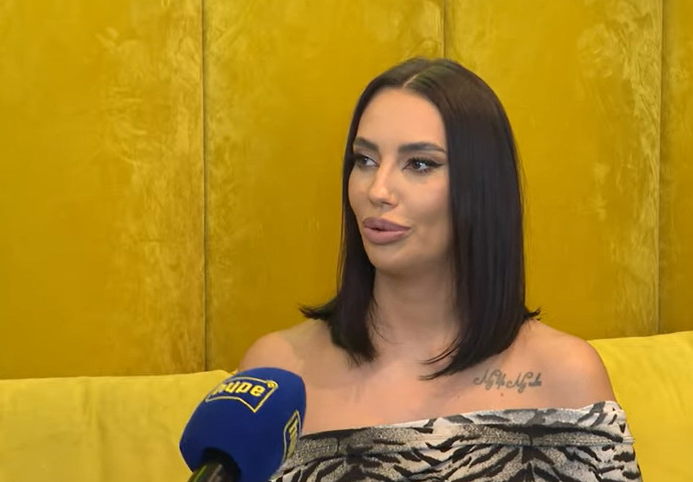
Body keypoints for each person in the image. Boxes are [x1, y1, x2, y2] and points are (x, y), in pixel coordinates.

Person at [239, 57, 642, 481]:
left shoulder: (567, 380)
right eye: (365, 160)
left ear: (481, 188)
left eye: (419, 164)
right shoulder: (273, 378)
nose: (378, 190)